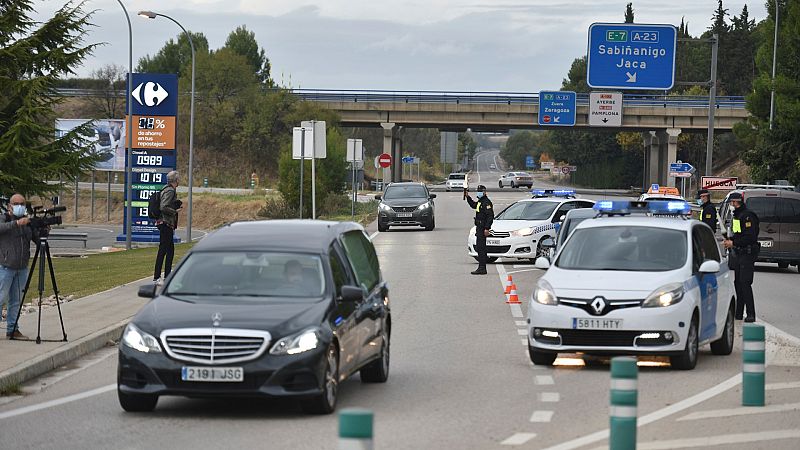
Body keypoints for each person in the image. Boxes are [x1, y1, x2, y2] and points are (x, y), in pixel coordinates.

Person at [0, 194, 33, 339]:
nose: (19, 206)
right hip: (5, 266)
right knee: (0, 298)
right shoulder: (4, 218)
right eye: (16, 203)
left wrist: (43, 230)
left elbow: (35, 238)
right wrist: (16, 223)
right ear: (10, 206)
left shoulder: (26, 222)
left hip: (22, 267)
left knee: (16, 300)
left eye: (22, 203)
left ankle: (13, 329)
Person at [722, 192, 760, 322]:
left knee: (745, 283)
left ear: (736, 202)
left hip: (747, 254)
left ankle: (751, 314)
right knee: (738, 283)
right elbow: (739, 234)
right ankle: (738, 313)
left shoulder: (747, 216)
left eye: (731, 203)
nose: (730, 206)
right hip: (739, 253)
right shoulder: (737, 216)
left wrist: (733, 242)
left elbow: (750, 237)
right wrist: (730, 240)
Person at [153, 171, 182, 284]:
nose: (179, 181)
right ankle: (157, 277)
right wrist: (175, 211)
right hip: (165, 223)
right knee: (163, 249)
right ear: (175, 180)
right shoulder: (170, 190)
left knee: (170, 250)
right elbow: (164, 206)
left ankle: (167, 277)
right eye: (178, 179)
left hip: (166, 223)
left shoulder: (165, 188)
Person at [465, 185, 493, 275]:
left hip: (483, 228)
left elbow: (490, 216)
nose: (479, 192)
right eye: (478, 191)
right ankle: (481, 267)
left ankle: (482, 268)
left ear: (485, 192)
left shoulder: (486, 203)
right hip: (479, 228)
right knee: (480, 248)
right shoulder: (481, 201)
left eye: (480, 191)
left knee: (481, 248)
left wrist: (487, 228)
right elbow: (474, 205)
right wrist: (468, 197)